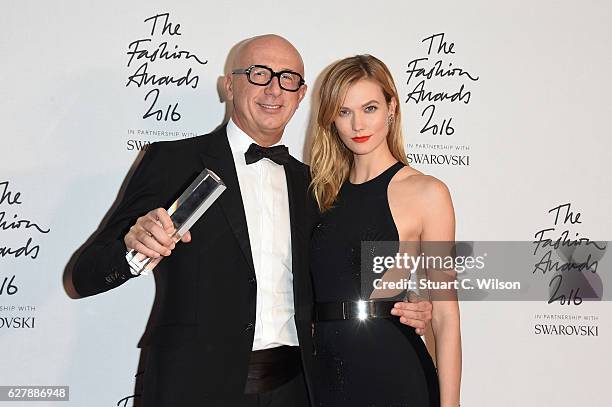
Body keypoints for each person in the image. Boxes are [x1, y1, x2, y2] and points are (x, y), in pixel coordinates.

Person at [71, 36, 433, 407]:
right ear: (229, 85)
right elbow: (82, 277)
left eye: (288, 78)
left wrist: (401, 302)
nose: (274, 88)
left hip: (297, 389)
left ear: (301, 94)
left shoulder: (316, 185)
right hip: (192, 388)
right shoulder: (172, 162)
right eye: (259, 74)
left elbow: (342, 274)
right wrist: (133, 250)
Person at [309, 54, 461, 406]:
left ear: (392, 107)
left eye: (370, 108)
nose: (358, 124)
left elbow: (445, 316)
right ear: (331, 118)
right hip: (319, 378)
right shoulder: (316, 192)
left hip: (393, 371)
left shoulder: (427, 192)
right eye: (344, 112)